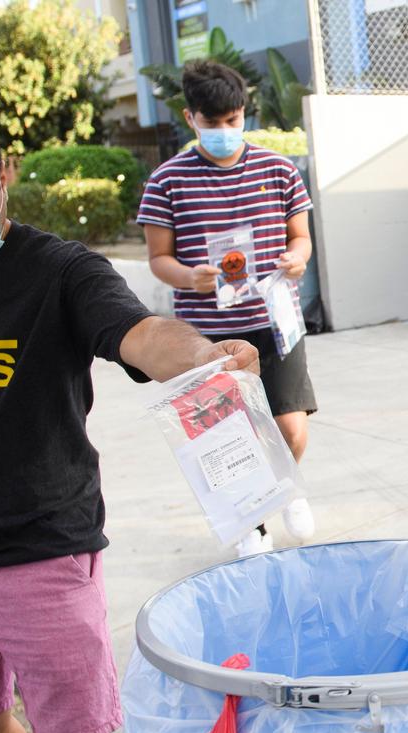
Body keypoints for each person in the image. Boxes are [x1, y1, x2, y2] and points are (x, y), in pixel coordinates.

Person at [0, 98, 259, 733]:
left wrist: (207, 356)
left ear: (4, 175)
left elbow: (142, 334)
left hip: (40, 559)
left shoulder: (59, 271)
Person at [138, 60, 317, 557]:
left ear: (245, 114)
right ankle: (251, 520)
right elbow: (159, 258)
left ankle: (284, 487)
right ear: (189, 116)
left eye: (233, 120)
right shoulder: (167, 181)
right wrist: (188, 277)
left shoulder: (278, 170)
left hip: (275, 323)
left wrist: (296, 259)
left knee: (289, 426)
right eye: (211, 122)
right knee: (224, 436)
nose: (224, 131)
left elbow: (301, 238)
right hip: (205, 334)